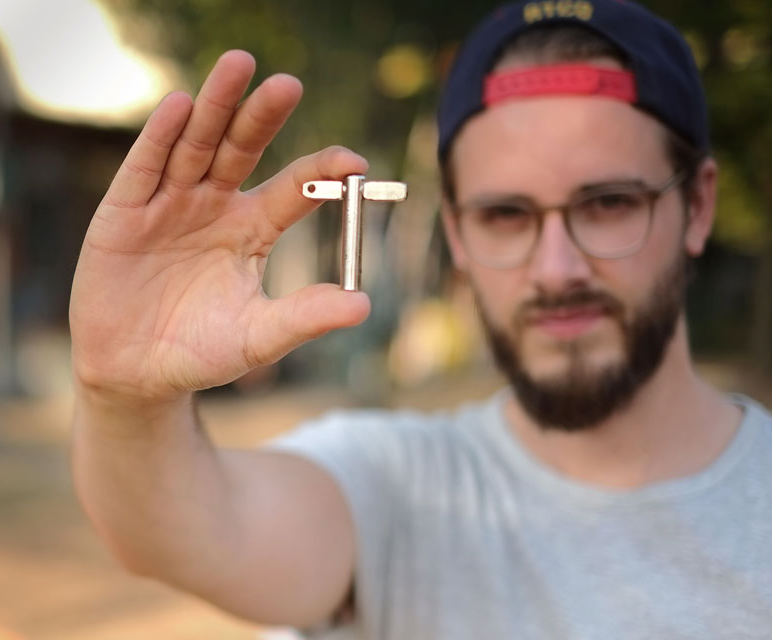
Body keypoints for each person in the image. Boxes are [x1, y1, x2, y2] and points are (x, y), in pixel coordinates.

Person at [68, 0, 772, 638]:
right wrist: (126, 398)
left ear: (698, 206)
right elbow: (192, 534)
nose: (557, 269)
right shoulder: (397, 485)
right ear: (459, 236)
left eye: (608, 203)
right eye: (506, 215)